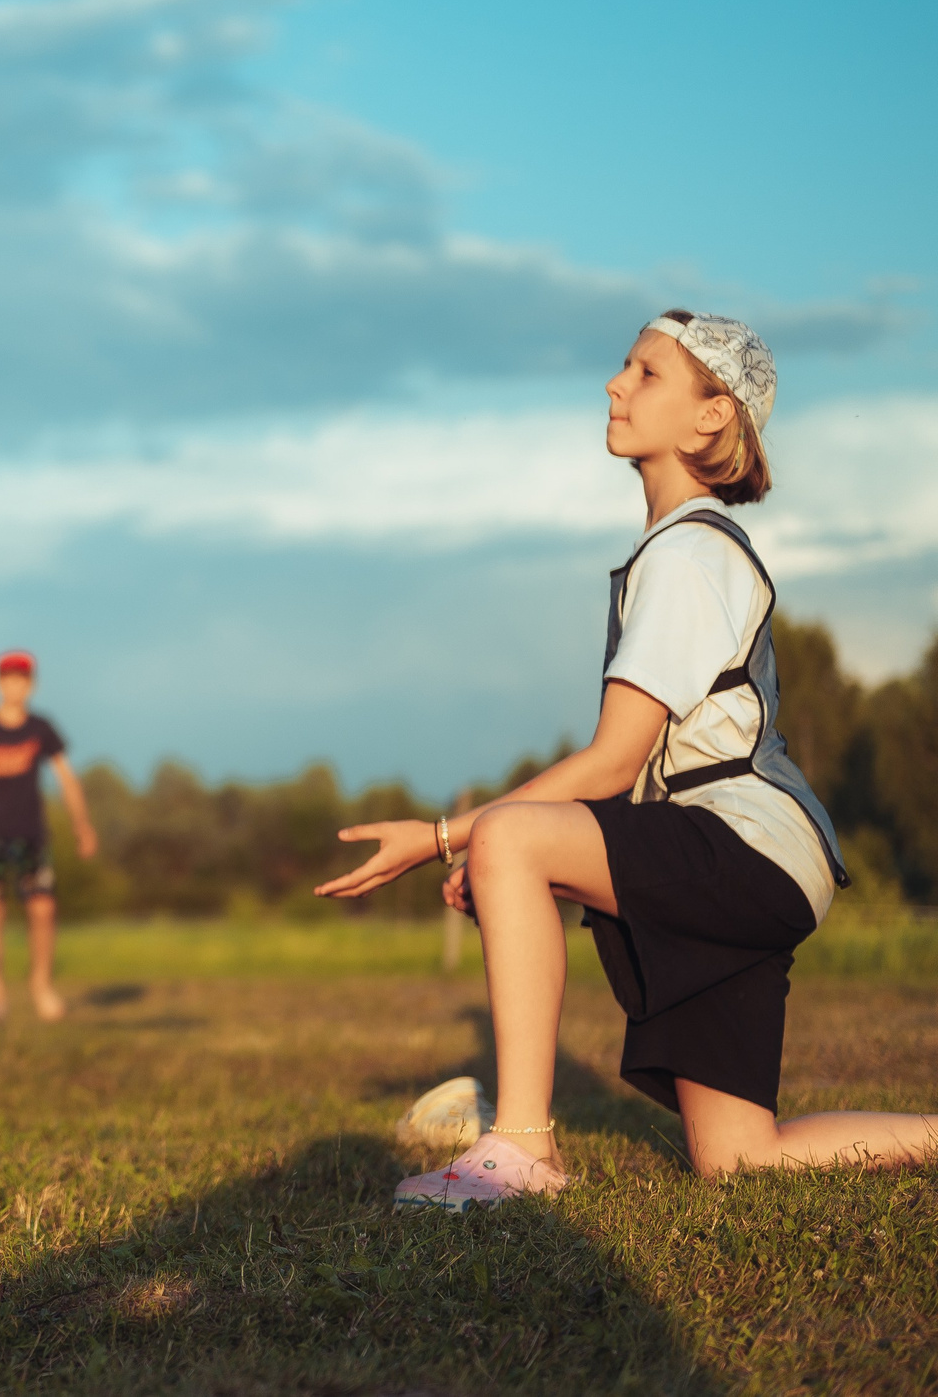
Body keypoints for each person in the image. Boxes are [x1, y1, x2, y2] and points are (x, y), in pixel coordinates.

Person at [319, 311, 938, 1206]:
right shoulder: (677, 550)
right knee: (740, 1156)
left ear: (710, 416)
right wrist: (518, 863)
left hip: (747, 847)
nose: (616, 384)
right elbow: (625, 796)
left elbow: (612, 765)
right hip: (762, 861)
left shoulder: (690, 553)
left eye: (646, 373)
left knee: (513, 841)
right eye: (624, 366)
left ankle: (523, 1149)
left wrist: (451, 836)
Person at [0, 651, 98, 1022]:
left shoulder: (42, 728)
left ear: (32, 685)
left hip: (30, 833)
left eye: (22, 679)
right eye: (7, 678)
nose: (14, 685)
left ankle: (41, 985)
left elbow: (67, 777)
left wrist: (82, 824)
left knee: (43, 909)